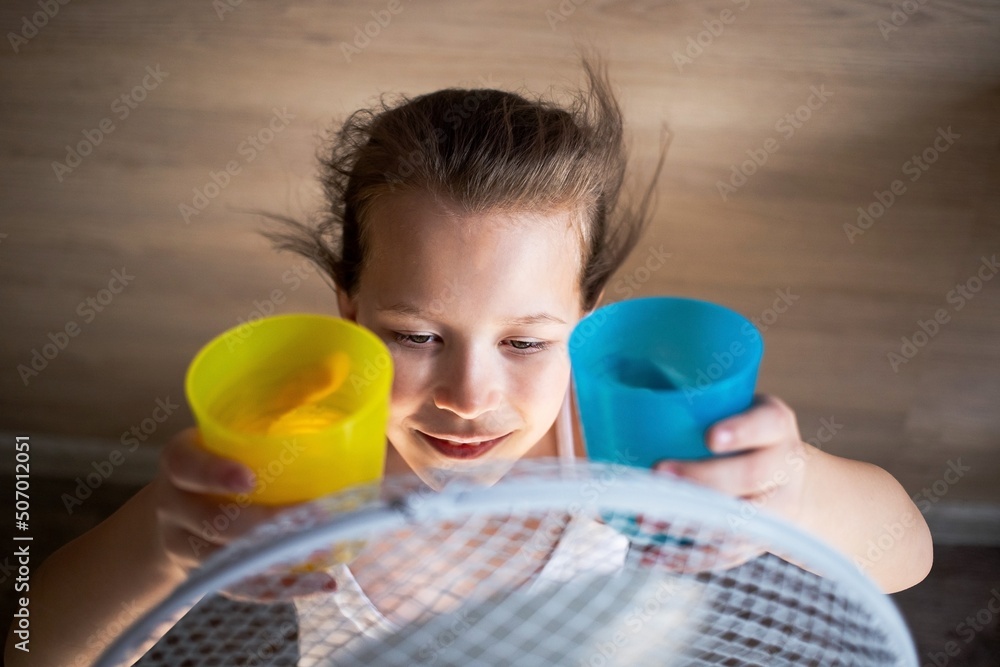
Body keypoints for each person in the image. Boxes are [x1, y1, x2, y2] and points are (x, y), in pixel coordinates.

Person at [6, 58, 932, 667]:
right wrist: (160, 546)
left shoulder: (624, 442)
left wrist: (793, 492)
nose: (468, 395)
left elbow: (908, 558)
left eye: (526, 342)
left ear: (587, 324)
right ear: (347, 309)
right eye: (416, 336)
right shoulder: (298, 460)